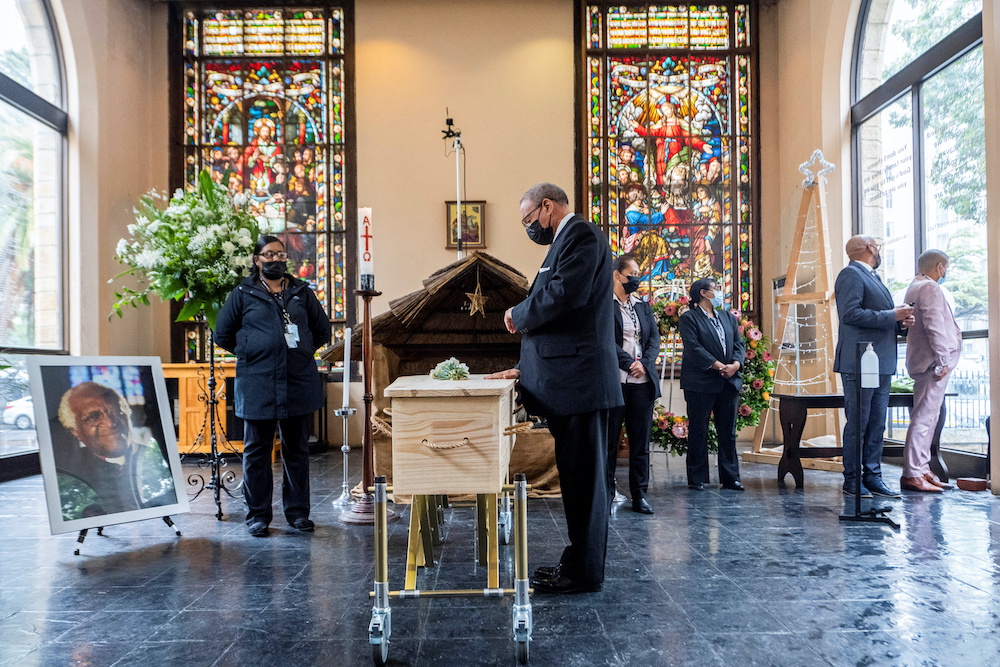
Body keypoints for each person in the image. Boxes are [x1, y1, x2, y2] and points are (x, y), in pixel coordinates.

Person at [486, 183, 622, 594]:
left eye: (529, 219)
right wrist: (523, 369)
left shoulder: (581, 235)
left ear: (548, 206)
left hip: (581, 382)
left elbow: (565, 295)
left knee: (586, 486)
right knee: (577, 483)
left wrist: (519, 313)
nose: (529, 227)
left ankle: (583, 573)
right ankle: (577, 563)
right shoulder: (567, 240)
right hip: (571, 381)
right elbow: (565, 317)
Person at [215, 235, 332, 537]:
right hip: (258, 382)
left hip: (297, 381)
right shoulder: (242, 293)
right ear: (257, 260)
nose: (275, 260)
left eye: (280, 255)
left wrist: (301, 349)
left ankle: (298, 513)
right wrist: (251, 348)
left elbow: (322, 329)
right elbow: (222, 334)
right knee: (257, 452)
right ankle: (257, 515)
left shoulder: (301, 292)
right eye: (268, 255)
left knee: (297, 451)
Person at [834, 234, 914, 498]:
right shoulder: (851, 274)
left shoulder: (873, 277)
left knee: (877, 423)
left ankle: (873, 477)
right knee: (859, 422)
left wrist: (900, 323)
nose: (878, 251)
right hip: (859, 361)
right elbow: (850, 314)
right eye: (877, 246)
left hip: (880, 360)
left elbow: (877, 318)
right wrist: (892, 315)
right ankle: (852, 480)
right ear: (870, 247)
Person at [55, 382, 176, 520]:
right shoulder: (68, 473)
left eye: (118, 412)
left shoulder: (157, 457)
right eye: (93, 417)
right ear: (75, 431)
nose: (110, 423)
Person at [900, 249, 961, 493]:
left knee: (928, 417)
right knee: (924, 418)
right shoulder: (930, 288)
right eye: (946, 268)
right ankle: (913, 473)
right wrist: (942, 359)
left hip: (924, 361)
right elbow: (934, 326)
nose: (946, 272)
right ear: (939, 267)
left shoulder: (914, 287)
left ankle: (922, 468)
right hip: (932, 364)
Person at [678, 277, 746, 491]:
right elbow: (693, 347)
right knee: (699, 429)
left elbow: (739, 344)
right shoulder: (689, 317)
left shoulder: (727, 317)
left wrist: (735, 364)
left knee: (728, 431)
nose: (719, 293)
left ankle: (730, 477)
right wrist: (718, 366)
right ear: (703, 293)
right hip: (701, 382)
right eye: (715, 289)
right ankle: (697, 477)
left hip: (728, 381)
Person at [607, 253, 661, 514]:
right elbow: (605, 341)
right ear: (617, 275)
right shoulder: (605, 305)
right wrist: (629, 363)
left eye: (638, 274)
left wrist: (645, 363)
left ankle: (639, 495)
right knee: (609, 443)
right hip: (616, 382)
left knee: (640, 444)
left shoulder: (642, 305)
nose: (636, 279)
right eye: (632, 275)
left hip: (642, 382)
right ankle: (608, 493)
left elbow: (654, 339)